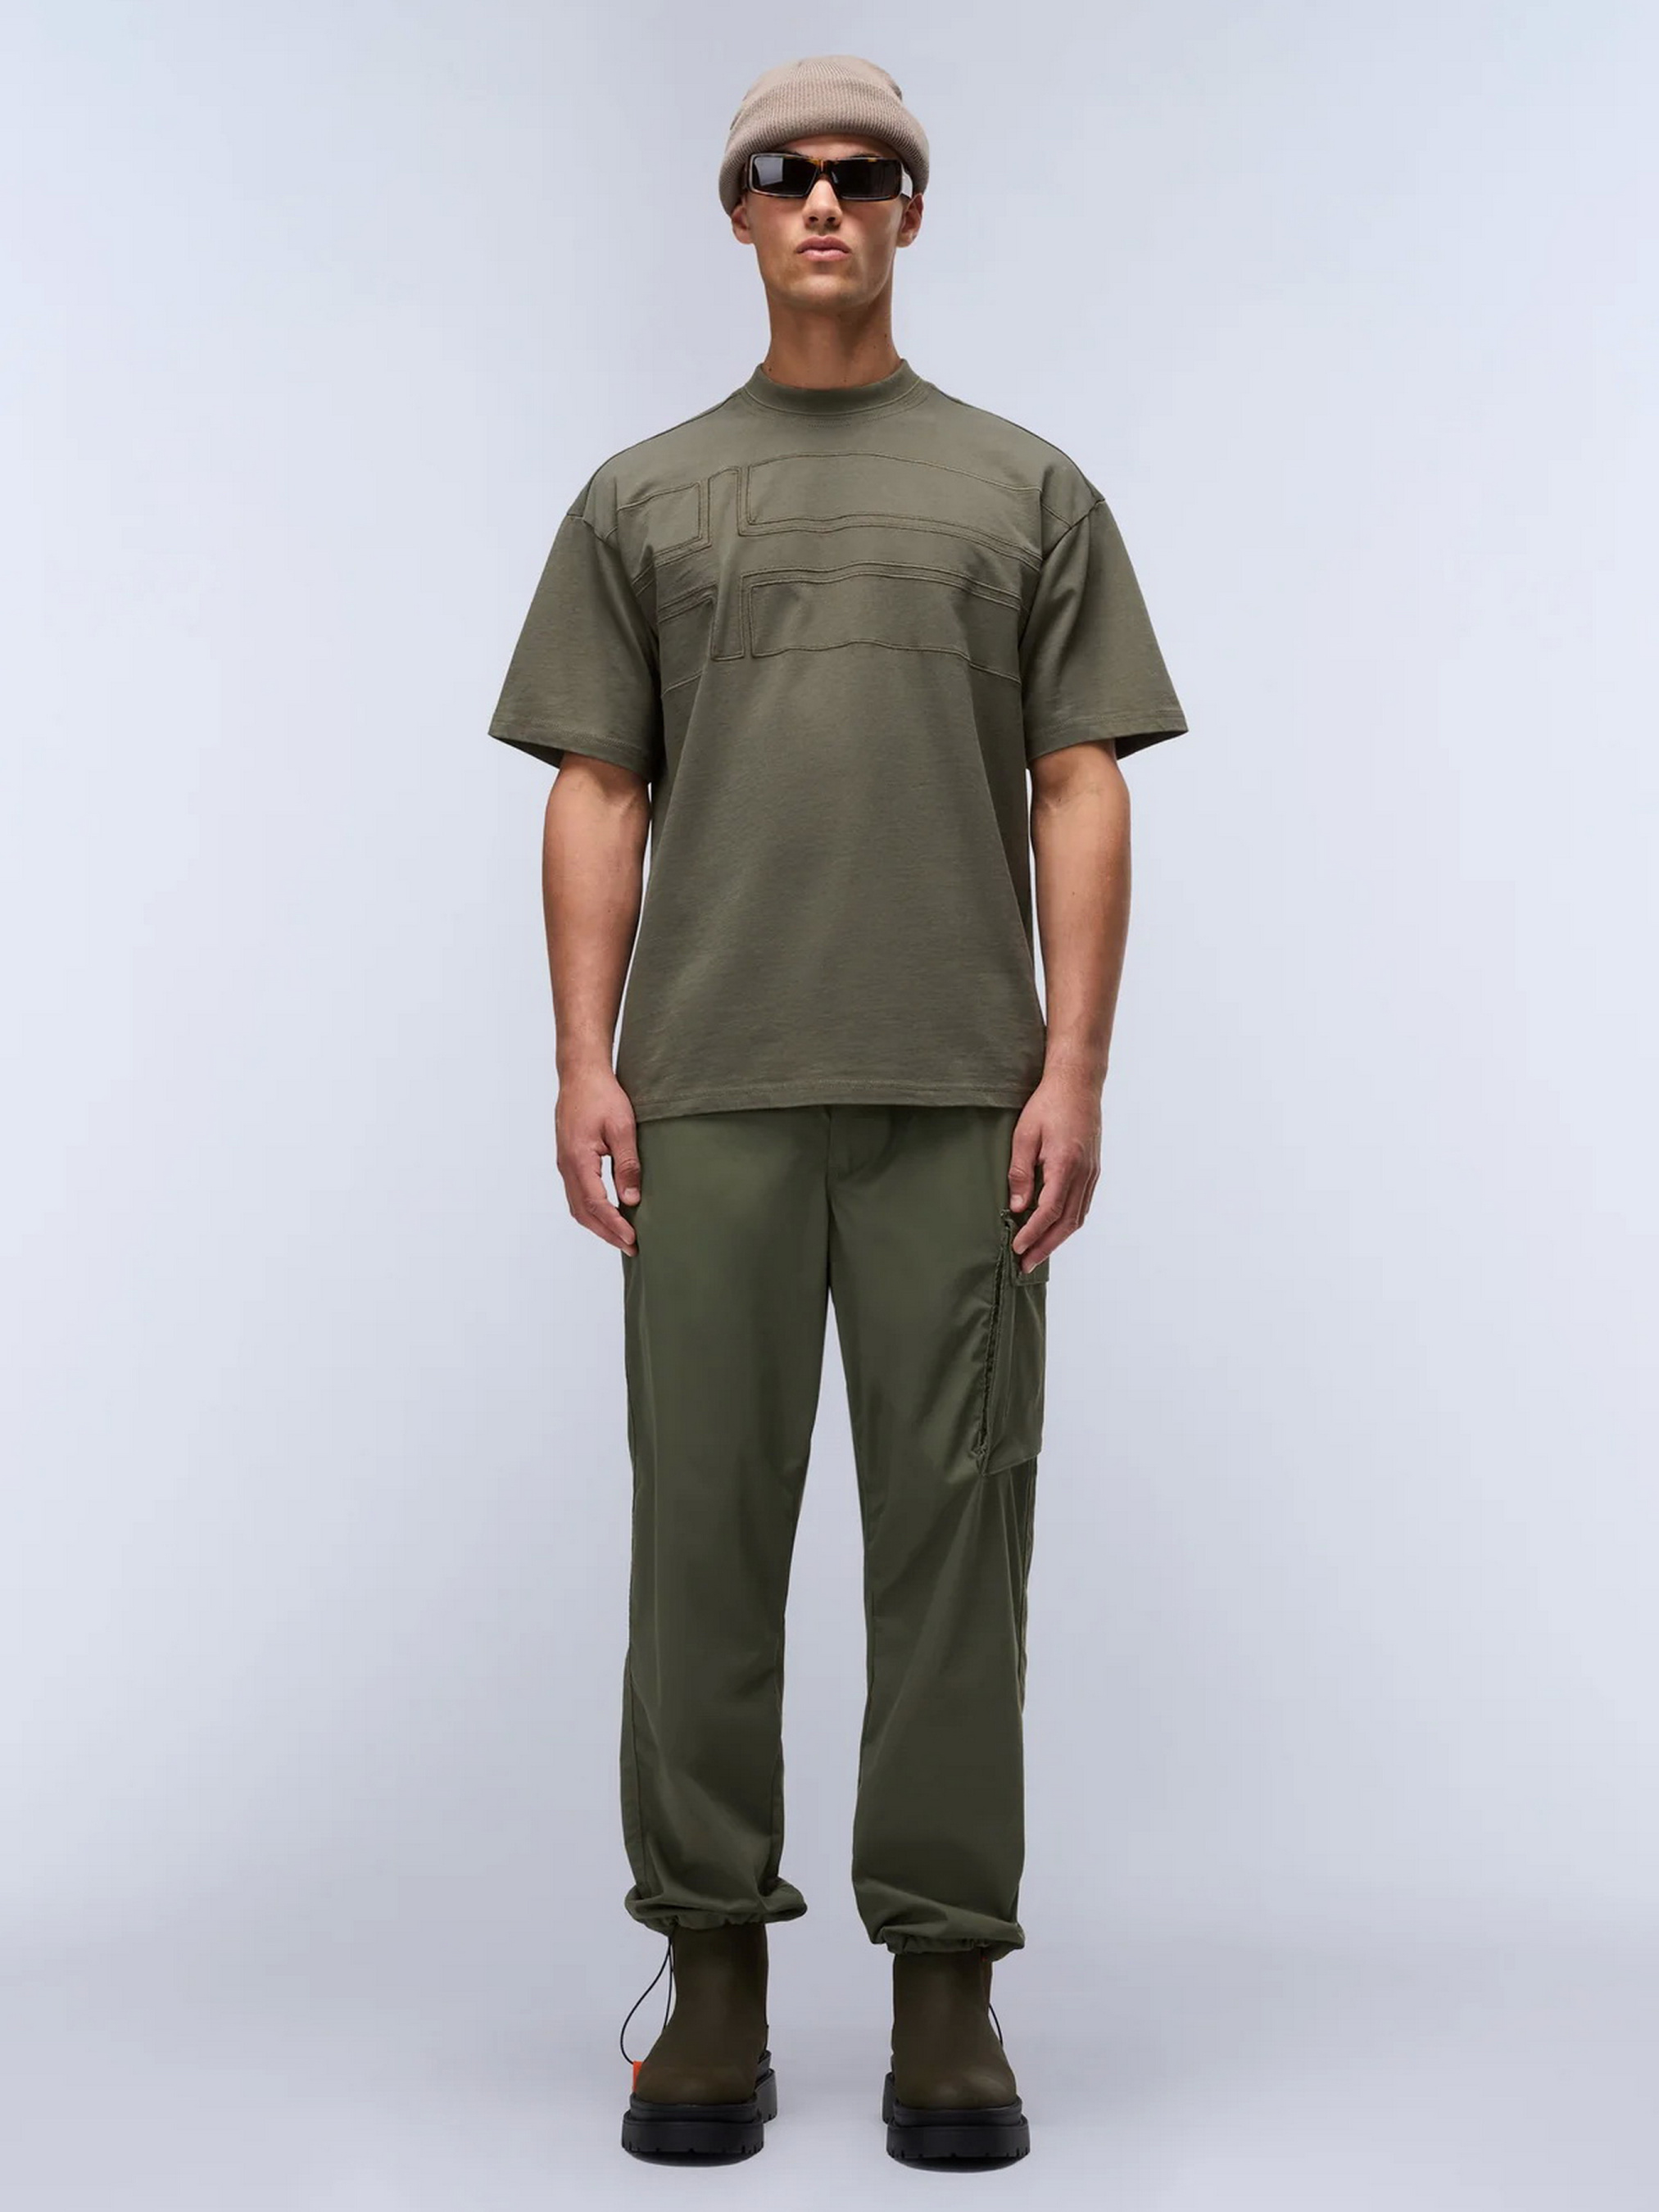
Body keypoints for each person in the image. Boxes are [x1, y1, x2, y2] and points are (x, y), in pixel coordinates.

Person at [485, 53, 1188, 2165]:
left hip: (961, 1101)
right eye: (784, 172)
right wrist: (585, 1056)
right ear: (737, 212)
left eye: (863, 173)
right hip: (709, 1095)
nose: (824, 199)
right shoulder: (644, 498)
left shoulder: (1024, 490)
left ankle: (947, 1997)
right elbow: (596, 784)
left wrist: (1073, 1064)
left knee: (955, 1552)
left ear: (908, 212)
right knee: (701, 1544)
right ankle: (711, 1982)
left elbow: (1083, 779)